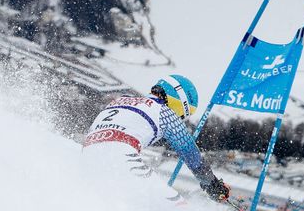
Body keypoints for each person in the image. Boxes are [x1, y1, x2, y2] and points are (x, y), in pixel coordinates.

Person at [82, 73, 230, 202]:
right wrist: (212, 185)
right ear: (180, 102)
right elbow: (191, 154)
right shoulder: (164, 111)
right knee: (177, 209)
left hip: (88, 156)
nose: (179, 118)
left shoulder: (120, 100)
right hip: (122, 158)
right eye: (183, 115)